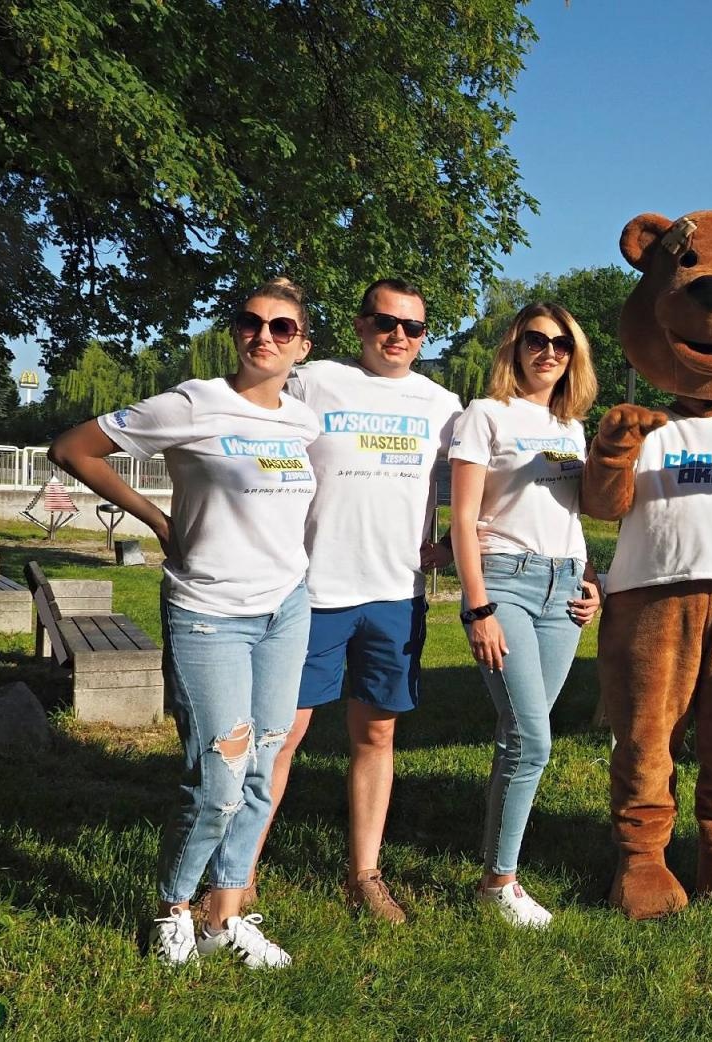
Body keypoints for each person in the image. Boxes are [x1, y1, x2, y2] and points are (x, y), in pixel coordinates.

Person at [48, 277, 320, 968]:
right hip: (210, 613)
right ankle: (173, 909)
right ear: (235, 331)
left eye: (281, 328)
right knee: (220, 775)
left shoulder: (303, 421)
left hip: (285, 608)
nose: (264, 336)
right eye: (251, 322)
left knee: (263, 765)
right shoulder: (196, 402)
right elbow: (73, 448)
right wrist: (157, 520)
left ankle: (224, 917)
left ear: (302, 346)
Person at [247, 278, 462, 923]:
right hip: (314, 591)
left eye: (413, 327)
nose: (398, 335)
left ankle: (365, 874)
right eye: (384, 322)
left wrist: (456, 543)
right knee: (280, 737)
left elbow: (479, 483)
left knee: (377, 734)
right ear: (361, 325)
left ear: (424, 338)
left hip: (397, 593)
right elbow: (258, 441)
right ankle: (241, 872)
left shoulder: (443, 404)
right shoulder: (315, 383)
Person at [448, 303, 601, 928]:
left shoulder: (572, 426)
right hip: (504, 583)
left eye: (562, 345)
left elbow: (571, 517)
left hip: (563, 590)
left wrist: (594, 583)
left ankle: (498, 869)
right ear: (514, 347)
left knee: (521, 737)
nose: (549, 353)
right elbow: (460, 519)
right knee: (532, 739)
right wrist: (478, 605)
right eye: (536, 341)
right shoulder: (484, 415)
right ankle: (500, 882)